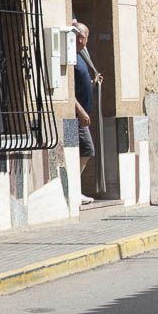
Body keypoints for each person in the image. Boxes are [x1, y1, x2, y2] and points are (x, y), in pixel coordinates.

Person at [71, 20, 102, 206]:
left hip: (81, 116)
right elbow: (68, 92)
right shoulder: (72, 58)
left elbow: (80, 86)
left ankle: (76, 190)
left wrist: (92, 82)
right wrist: (81, 112)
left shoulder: (79, 56)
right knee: (87, 149)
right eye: (87, 37)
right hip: (77, 117)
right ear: (82, 38)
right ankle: (75, 190)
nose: (87, 40)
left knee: (82, 151)